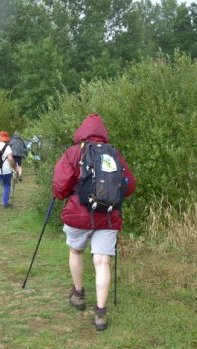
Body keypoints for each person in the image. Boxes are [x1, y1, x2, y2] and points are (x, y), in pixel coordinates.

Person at [52, 114, 136, 331]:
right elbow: (129, 185)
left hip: (78, 215)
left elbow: (61, 185)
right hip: (108, 216)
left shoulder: (74, 152)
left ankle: (78, 295)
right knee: (102, 262)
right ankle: (100, 312)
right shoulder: (113, 154)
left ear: (81, 131)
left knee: (76, 251)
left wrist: (61, 194)